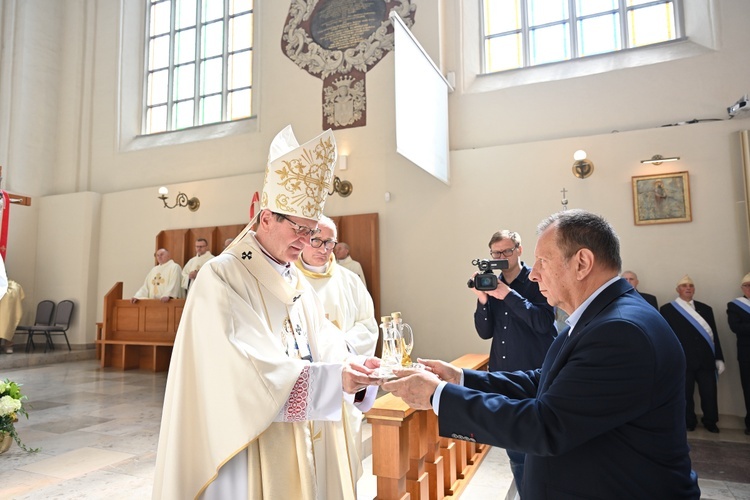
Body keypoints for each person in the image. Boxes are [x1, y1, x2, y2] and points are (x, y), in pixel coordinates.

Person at [383, 209, 700, 499]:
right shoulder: (601, 317)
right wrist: (459, 379)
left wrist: (438, 397)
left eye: (543, 262)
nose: (534, 276)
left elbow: (546, 425)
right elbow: (544, 381)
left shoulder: (621, 330)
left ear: (582, 263)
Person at [153, 125, 381, 500]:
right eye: (300, 230)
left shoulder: (295, 281)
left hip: (303, 428)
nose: (307, 243)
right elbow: (243, 365)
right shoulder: (222, 275)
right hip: (248, 444)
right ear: (266, 218)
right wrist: (330, 380)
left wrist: (353, 368)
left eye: (312, 233)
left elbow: (323, 340)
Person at [470, 229, 556, 495]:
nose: (501, 257)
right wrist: (483, 300)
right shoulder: (490, 283)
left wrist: (507, 294)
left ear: (519, 249)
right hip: (503, 376)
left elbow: (543, 322)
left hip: (535, 375)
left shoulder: (536, 279)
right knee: (516, 454)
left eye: (507, 251)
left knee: (541, 451)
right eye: (496, 253)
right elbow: (485, 332)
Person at [295, 215, 379, 484]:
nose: (323, 248)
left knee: (343, 462)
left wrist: (338, 345)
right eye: (316, 240)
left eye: (329, 242)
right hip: (306, 382)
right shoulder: (288, 280)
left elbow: (368, 325)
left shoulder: (350, 280)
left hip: (343, 382)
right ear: (303, 238)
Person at [661, 275, 725, 433]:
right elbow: (665, 336)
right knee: (685, 394)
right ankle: (688, 421)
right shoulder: (667, 309)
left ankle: (710, 421)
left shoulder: (706, 309)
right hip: (683, 360)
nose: (688, 288)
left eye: (690, 285)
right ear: (678, 290)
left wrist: (719, 358)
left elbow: (714, 335)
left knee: (709, 393)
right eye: (684, 286)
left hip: (706, 359)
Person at [727, 272, 750, 435]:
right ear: (742, 288)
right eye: (748, 286)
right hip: (747, 354)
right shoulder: (735, 305)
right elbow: (736, 328)